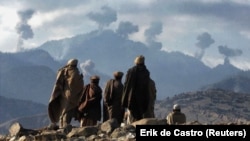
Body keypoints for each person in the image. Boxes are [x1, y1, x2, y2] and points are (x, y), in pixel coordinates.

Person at [48, 58, 84, 129]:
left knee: (63, 111)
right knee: (67, 111)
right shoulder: (75, 73)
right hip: (72, 97)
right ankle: (64, 127)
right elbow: (78, 85)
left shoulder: (64, 71)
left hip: (64, 95)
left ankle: (62, 127)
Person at [121, 55, 150, 123]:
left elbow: (127, 85)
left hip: (131, 98)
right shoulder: (146, 72)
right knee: (140, 116)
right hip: (142, 99)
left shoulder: (131, 71)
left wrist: (124, 98)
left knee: (131, 117)